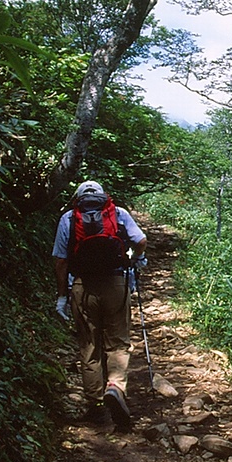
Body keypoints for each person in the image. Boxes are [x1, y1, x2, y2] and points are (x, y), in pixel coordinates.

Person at [52, 180, 147, 432]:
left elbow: (60, 261)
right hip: (116, 283)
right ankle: (115, 387)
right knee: (117, 341)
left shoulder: (69, 218)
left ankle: (95, 406)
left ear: (78, 198)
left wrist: (62, 297)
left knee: (89, 345)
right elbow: (140, 241)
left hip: (83, 287)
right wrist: (136, 260)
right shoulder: (118, 213)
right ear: (105, 196)